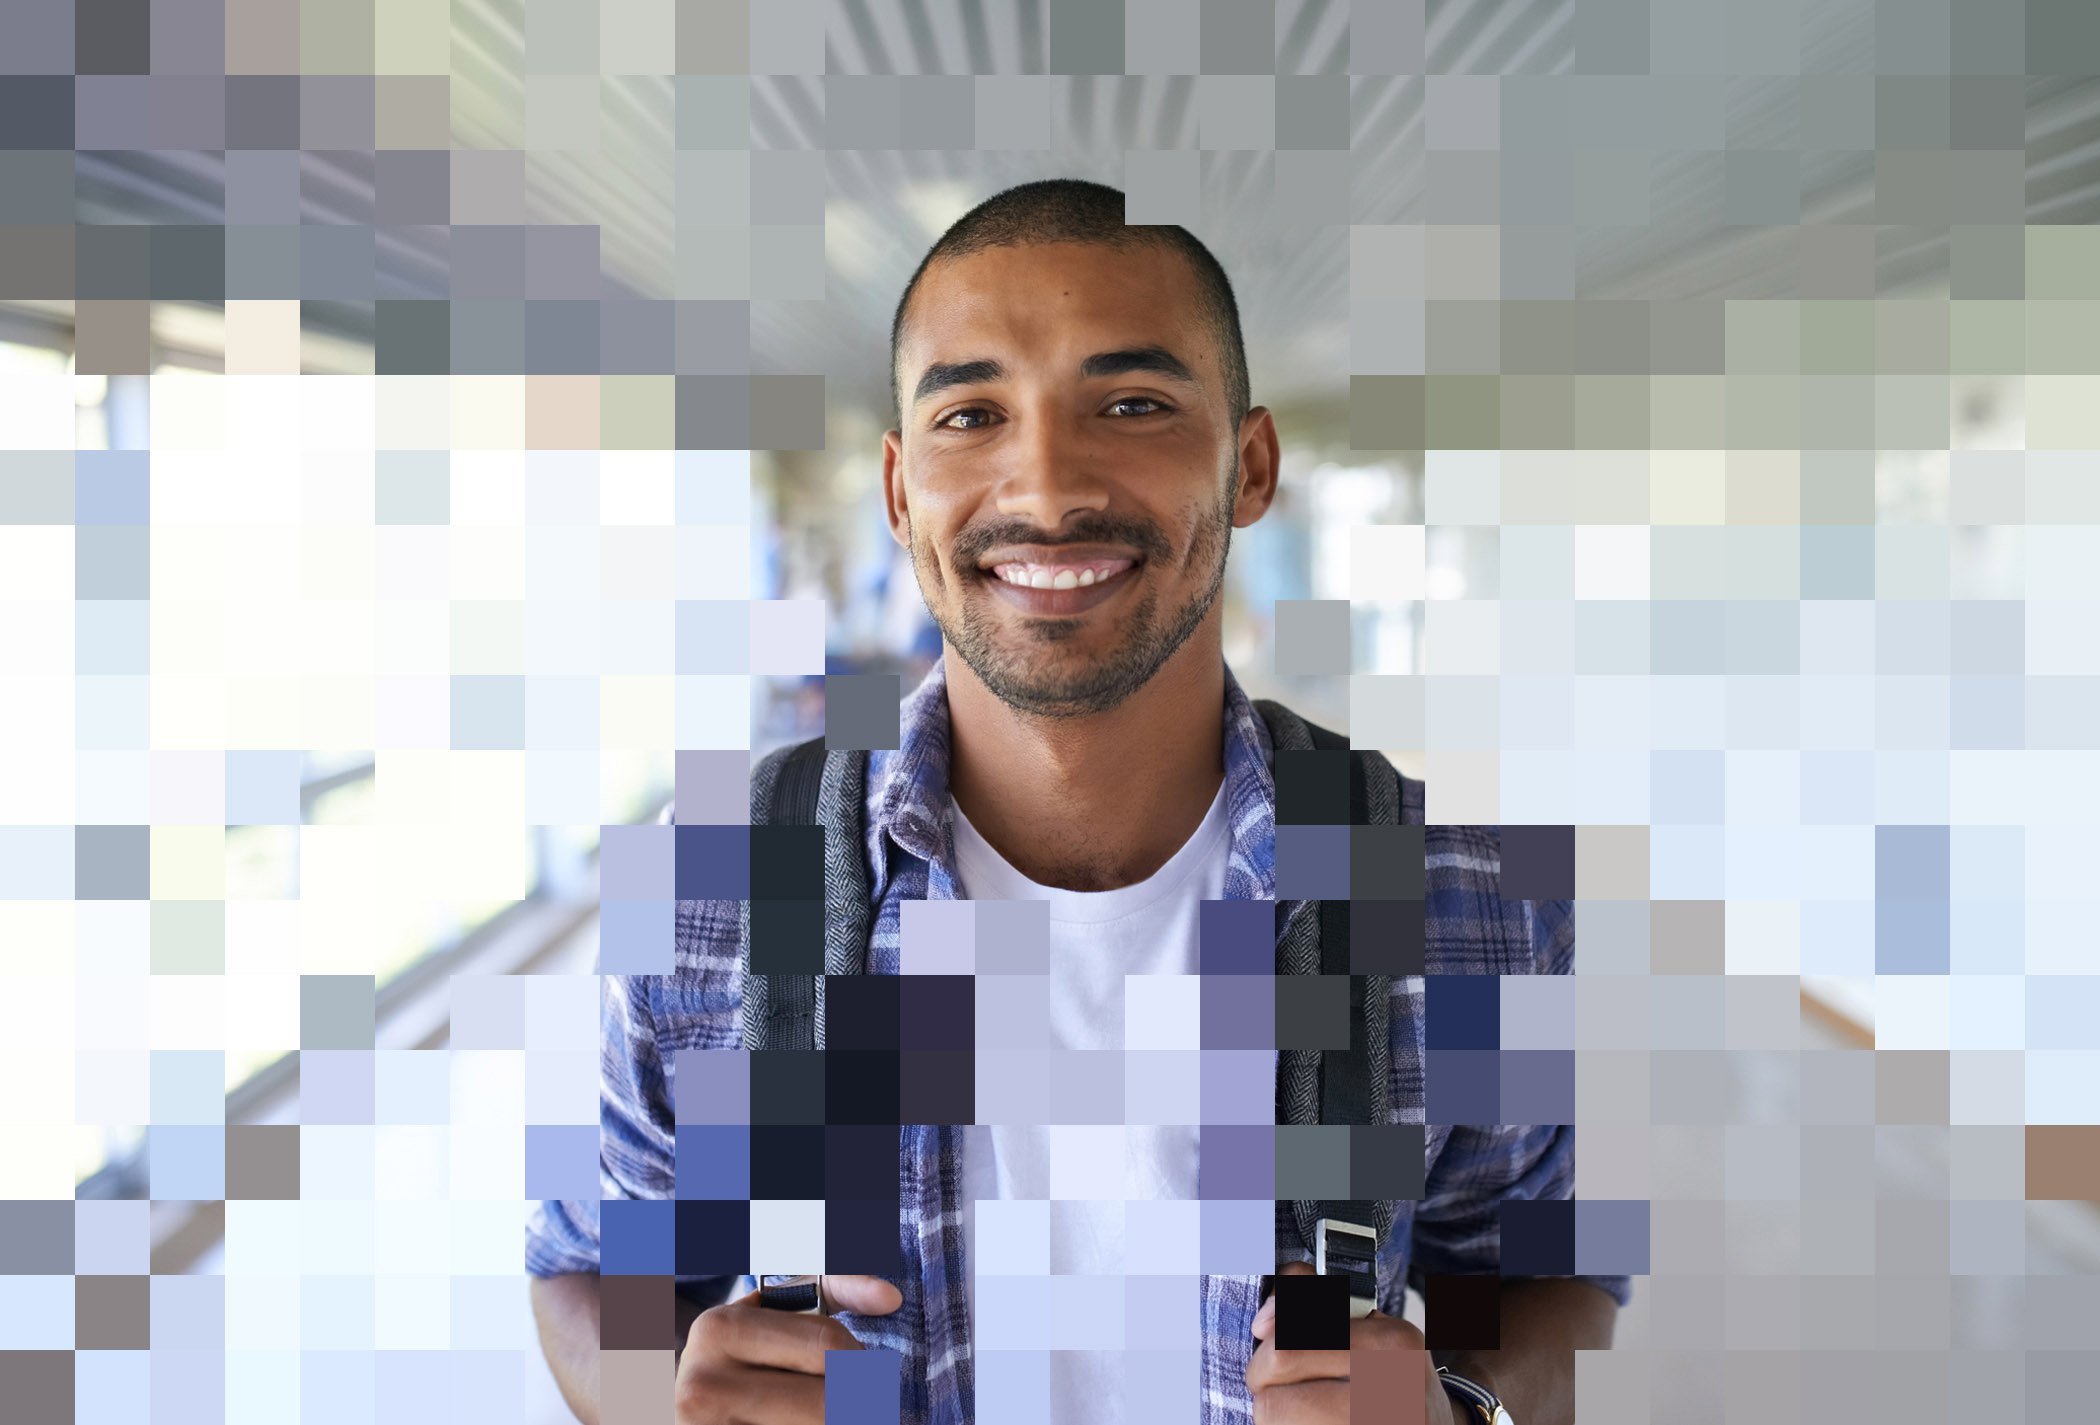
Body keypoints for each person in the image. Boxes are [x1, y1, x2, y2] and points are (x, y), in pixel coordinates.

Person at [526, 178, 1626, 1425]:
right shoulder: (712, 884)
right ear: (900, 491)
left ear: (1248, 464)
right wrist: (659, 1400)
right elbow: (587, 1268)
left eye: (1134, 403)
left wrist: (1455, 1405)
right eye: (971, 414)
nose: (1046, 488)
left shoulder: (1459, 900)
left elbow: (1547, 1282)